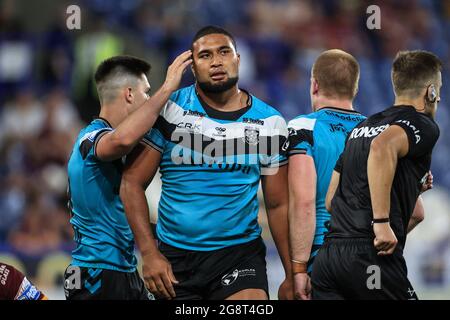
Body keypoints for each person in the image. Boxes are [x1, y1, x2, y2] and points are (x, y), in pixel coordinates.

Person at [120, 26, 293, 300]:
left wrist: (292, 274)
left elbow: (278, 204)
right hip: (175, 259)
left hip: (239, 255)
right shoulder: (169, 110)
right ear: (191, 66)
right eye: (205, 55)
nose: (216, 62)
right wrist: (150, 253)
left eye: (224, 52)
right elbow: (131, 182)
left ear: (238, 59)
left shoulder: (270, 123)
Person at [311, 50, 442, 300]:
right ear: (431, 92)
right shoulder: (422, 124)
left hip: (329, 259)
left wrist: (408, 187)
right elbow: (382, 148)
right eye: (440, 88)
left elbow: (331, 201)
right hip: (370, 258)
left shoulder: (363, 127)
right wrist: (381, 224)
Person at [64, 53, 192, 300]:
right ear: (129, 94)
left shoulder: (111, 147)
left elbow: (115, 216)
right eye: (147, 92)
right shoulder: (90, 138)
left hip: (121, 270)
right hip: (95, 273)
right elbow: (121, 140)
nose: (149, 99)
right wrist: (167, 89)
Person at [287, 49, 366, 300]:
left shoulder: (303, 127)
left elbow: (304, 202)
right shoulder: (381, 132)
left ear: (314, 85)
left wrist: (298, 269)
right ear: (355, 88)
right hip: (372, 259)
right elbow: (415, 212)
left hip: (324, 256)